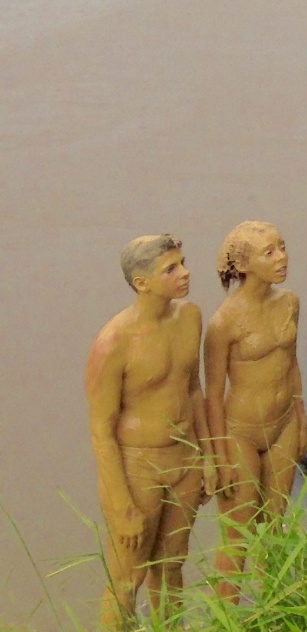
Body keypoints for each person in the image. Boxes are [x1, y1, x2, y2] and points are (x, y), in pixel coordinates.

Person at [84, 235, 209, 628]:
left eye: (183, 262)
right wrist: (121, 506)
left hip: (185, 458)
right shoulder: (113, 342)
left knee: (172, 566)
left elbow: (194, 388)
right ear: (142, 283)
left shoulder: (190, 316)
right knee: (127, 577)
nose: (185, 273)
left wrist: (208, 456)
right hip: (138, 466)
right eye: (171, 269)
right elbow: (101, 431)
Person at [204, 221, 305, 601]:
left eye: (282, 246)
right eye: (269, 252)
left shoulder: (290, 302)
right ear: (244, 266)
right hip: (240, 433)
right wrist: (218, 457)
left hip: (283, 426)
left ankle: (274, 611)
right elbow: (213, 394)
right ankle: (225, 618)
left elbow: (292, 363)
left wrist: (301, 416)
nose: (282, 257)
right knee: (237, 536)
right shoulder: (223, 322)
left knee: (275, 525)